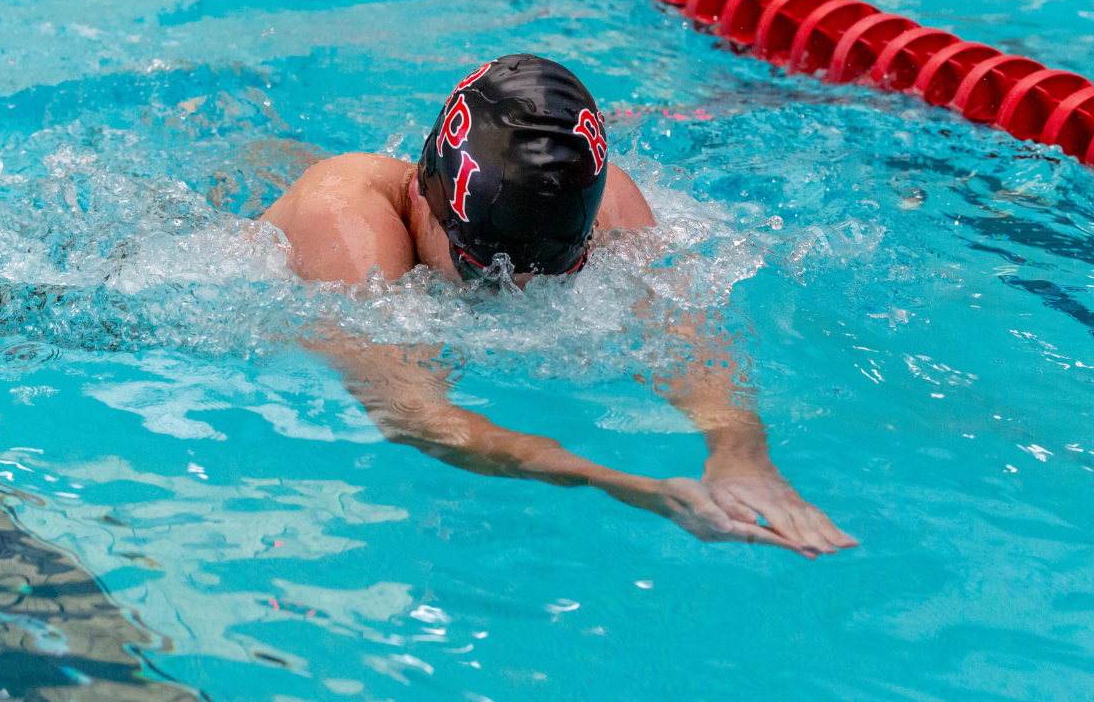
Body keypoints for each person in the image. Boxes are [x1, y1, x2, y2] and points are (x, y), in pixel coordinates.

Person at [259, 53, 857, 559]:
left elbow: (683, 337)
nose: (514, 292)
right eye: (480, 270)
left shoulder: (606, 202)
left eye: (551, 272)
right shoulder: (345, 220)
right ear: (423, 188)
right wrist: (625, 484)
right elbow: (410, 412)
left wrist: (740, 452)